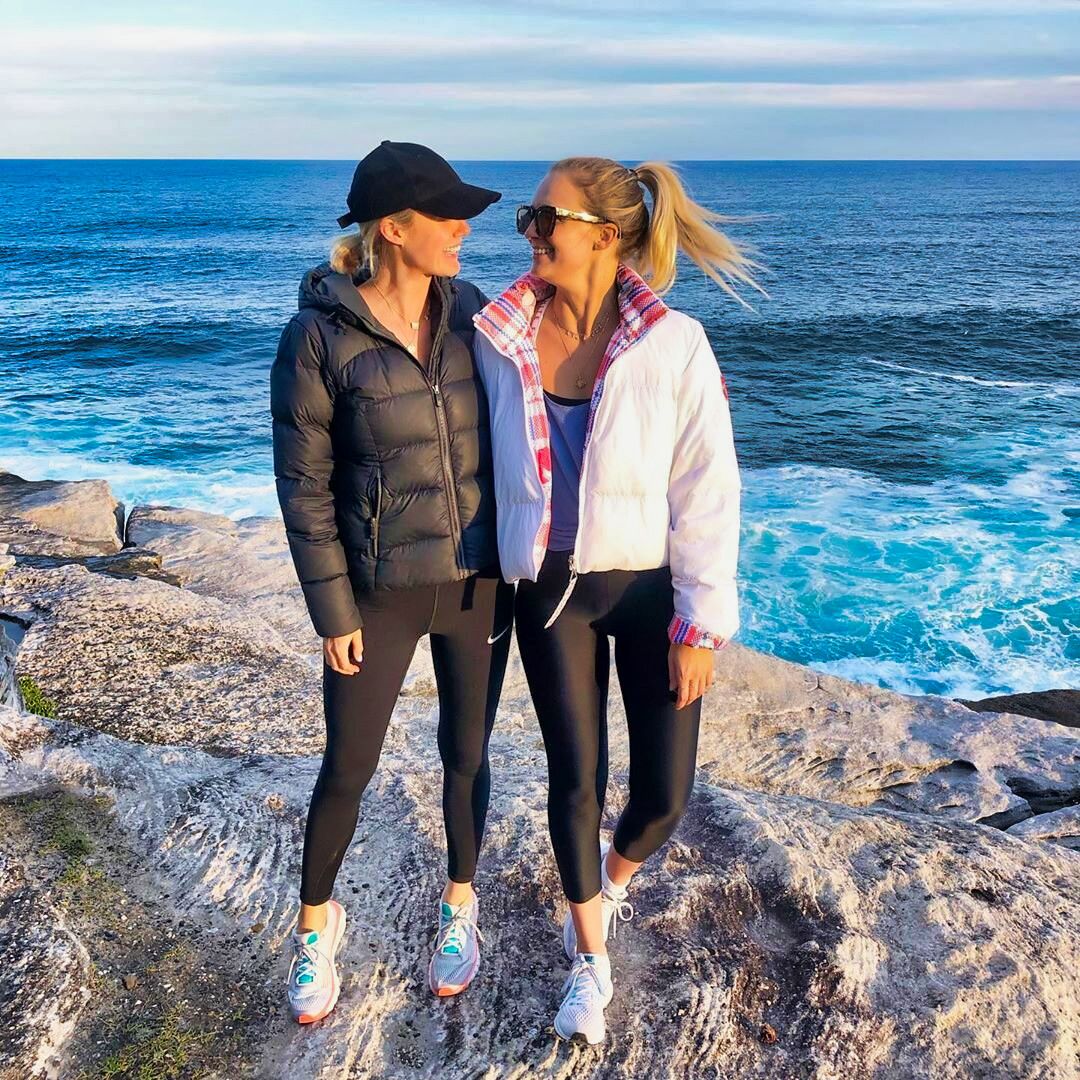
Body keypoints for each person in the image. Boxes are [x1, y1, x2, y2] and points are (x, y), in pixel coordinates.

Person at [473, 157, 762, 1044]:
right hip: (547, 590)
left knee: (665, 796)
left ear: (605, 234)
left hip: (646, 589)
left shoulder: (675, 344)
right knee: (575, 779)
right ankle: (589, 959)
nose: (529, 232)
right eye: (527, 217)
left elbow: (708, 487)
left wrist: (700, 624)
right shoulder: (497, 335)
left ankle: (609, 882)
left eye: (544, 218)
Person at [271, 141, 513, 1024]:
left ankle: (459, 905)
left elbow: (559, 367)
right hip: (378, 593)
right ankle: (315, 926)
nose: (463, 229)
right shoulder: (317, 336)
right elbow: (303, 487)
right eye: (447, 216)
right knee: (349, 764)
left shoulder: (473, 312)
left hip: (478, 582)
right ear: (395, 229)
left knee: (467, 753)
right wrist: (331, 609)